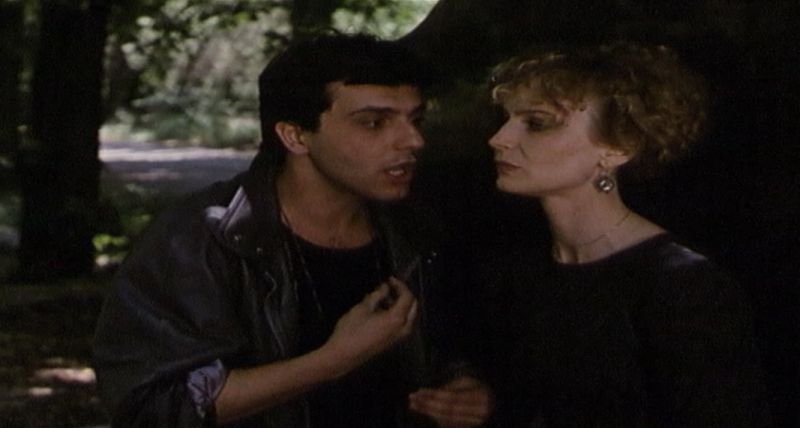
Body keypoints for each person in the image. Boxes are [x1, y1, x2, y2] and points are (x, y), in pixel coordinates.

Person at [92, 33, 491, 428]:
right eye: (374, 123)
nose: (413, 140)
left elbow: (452, 349)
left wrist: (466, 390)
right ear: (295, 136)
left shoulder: (419, 231)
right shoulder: (202, 240)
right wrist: (331, 360)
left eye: (416, 120)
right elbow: (153, 405)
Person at [482, 42, 770, 426]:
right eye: (506, 119)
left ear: (618, 148)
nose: (499, 138)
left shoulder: (682, 287)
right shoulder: (517, 268)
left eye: (537, 123)